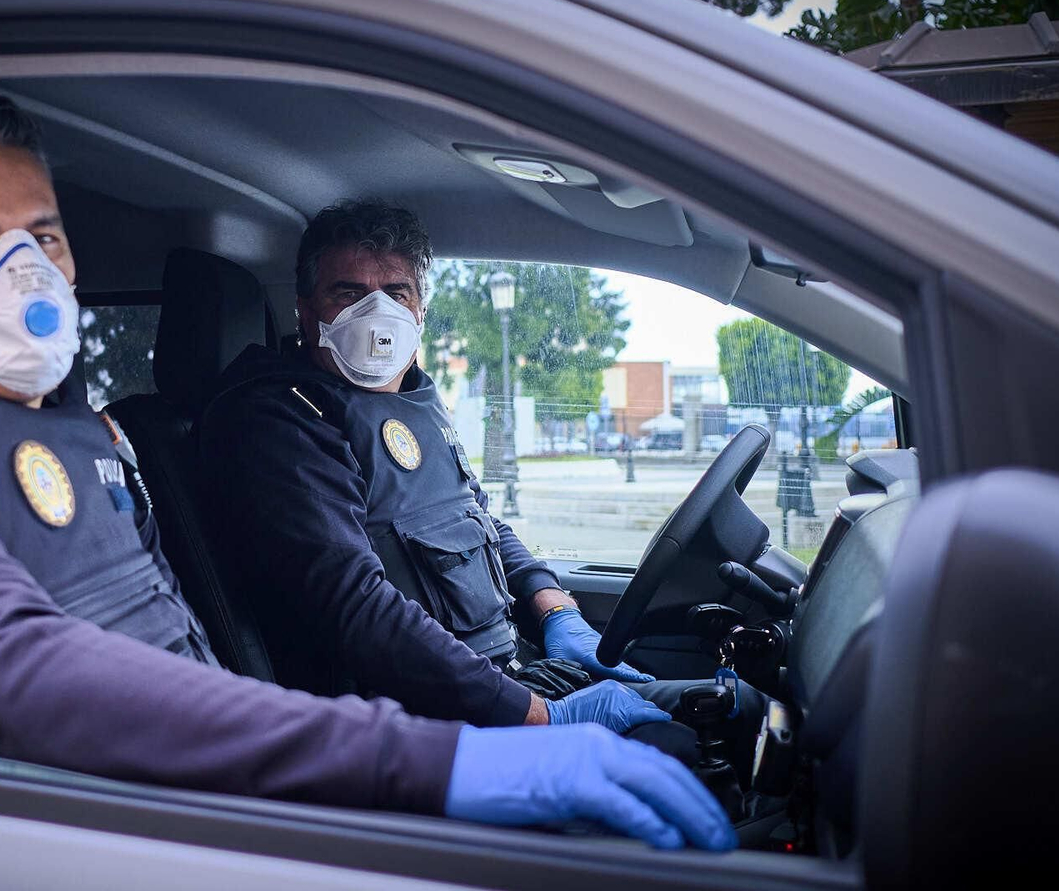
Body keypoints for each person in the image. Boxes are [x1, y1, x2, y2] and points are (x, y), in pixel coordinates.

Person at [0, 96, 734, 851]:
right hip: (76, 836)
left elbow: (183, 654)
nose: (23, 272)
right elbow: (31, 672)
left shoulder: (86, 436)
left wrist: (554, 620)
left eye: (39, 237)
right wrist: (446, 754)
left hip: (203, 797)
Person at [198, 201, 763, 757]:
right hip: (417, 719)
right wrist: (540, 717)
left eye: (395, 293)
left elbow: (478, 516)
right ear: (305, 310)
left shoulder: (415, 397)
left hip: (509, 676)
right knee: (686, 752)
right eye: (347, 293)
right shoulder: (283, 419)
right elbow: (354, 607)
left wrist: (556, 609)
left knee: (739, 709)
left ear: (419, 311)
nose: (375, 314)